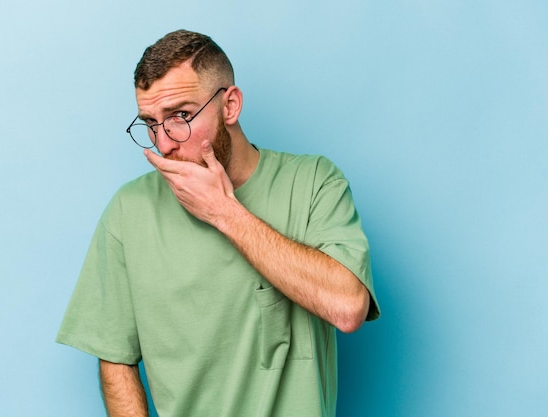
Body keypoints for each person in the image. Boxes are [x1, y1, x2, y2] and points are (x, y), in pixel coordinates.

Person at [57, 29, 380, 417]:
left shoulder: (314, 182)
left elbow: (347, 308)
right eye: (150, 123)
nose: (164, 143)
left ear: (230, 106)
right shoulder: (129, 210)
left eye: (179, 116)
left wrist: (224, 212)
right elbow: (114, 357)